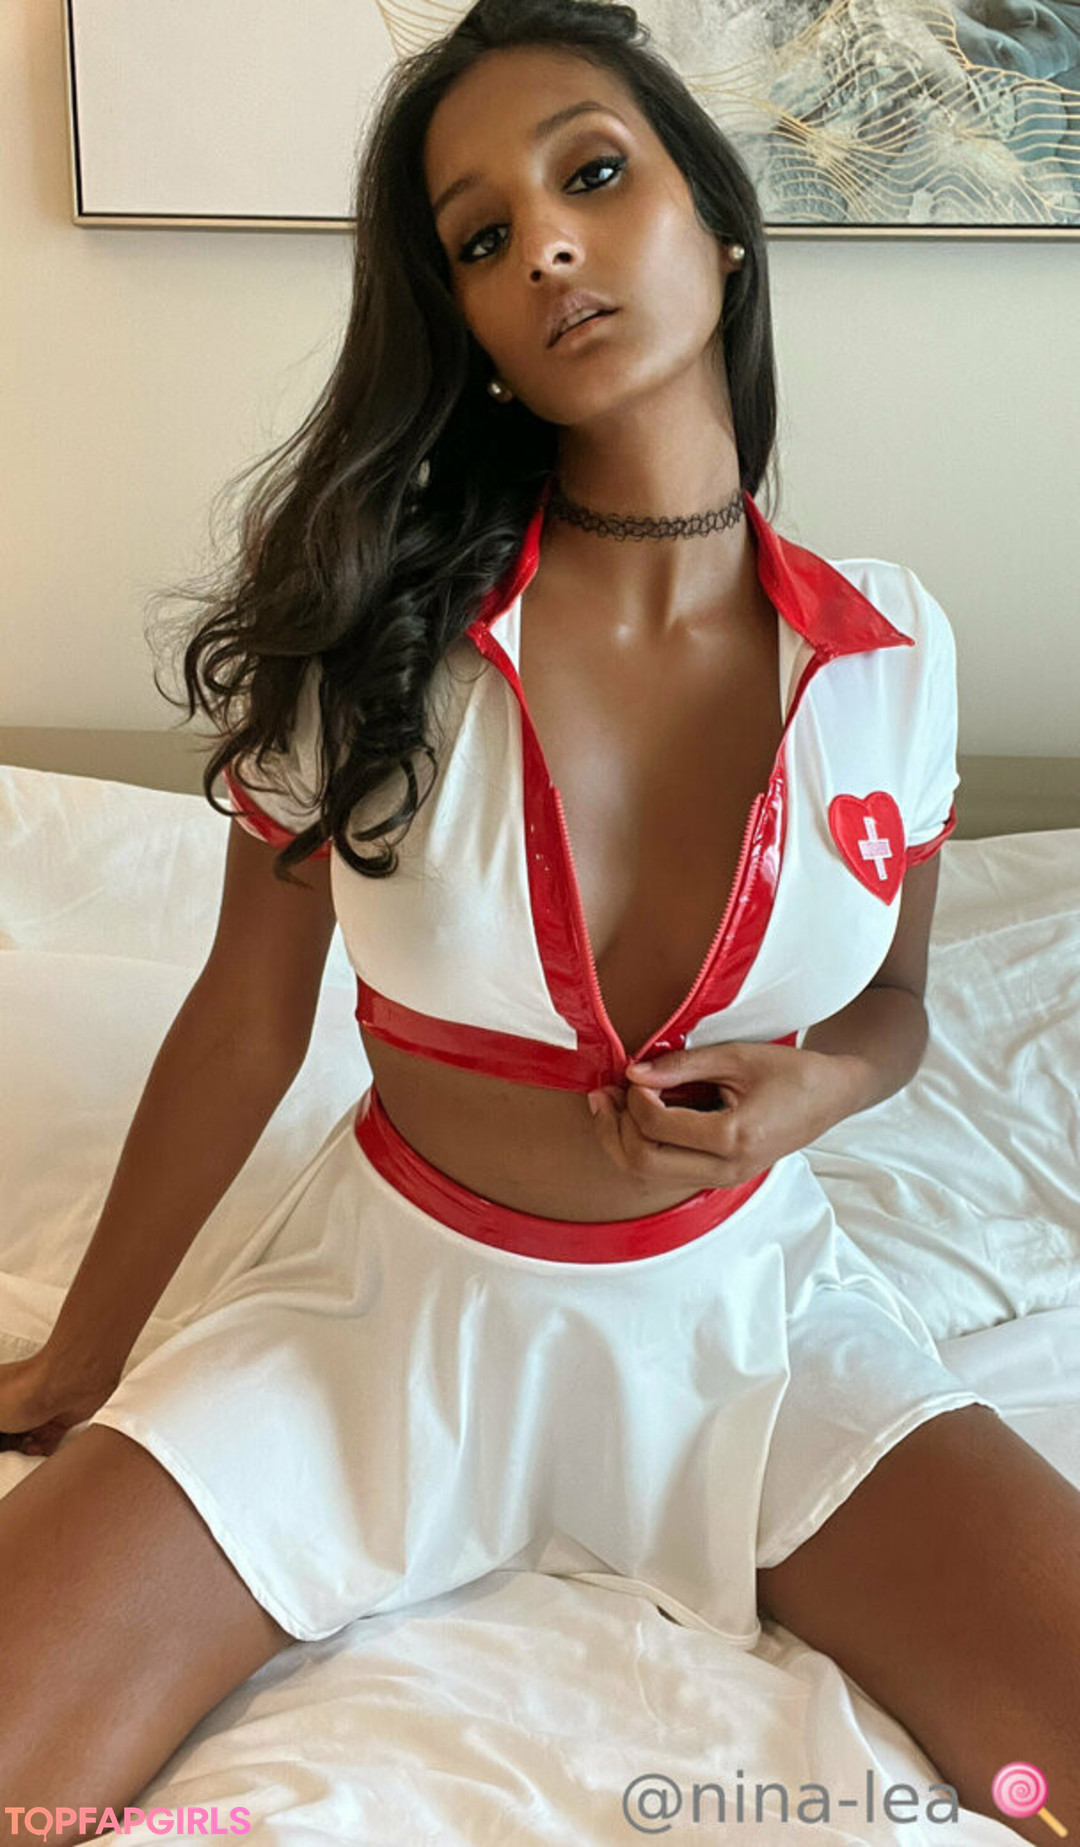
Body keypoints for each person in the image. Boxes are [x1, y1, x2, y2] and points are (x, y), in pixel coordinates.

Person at [1, 3, 1078, 1840]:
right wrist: (83, 1365)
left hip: (755, 1327)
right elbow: (246, 1021)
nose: (550, 249)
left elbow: (891, 1000)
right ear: (471, 328)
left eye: (592, 175)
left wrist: (824, 1090)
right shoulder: (375, 636)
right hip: (373, 1324)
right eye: (484, 237)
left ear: (718, 225)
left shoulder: (895, 645)